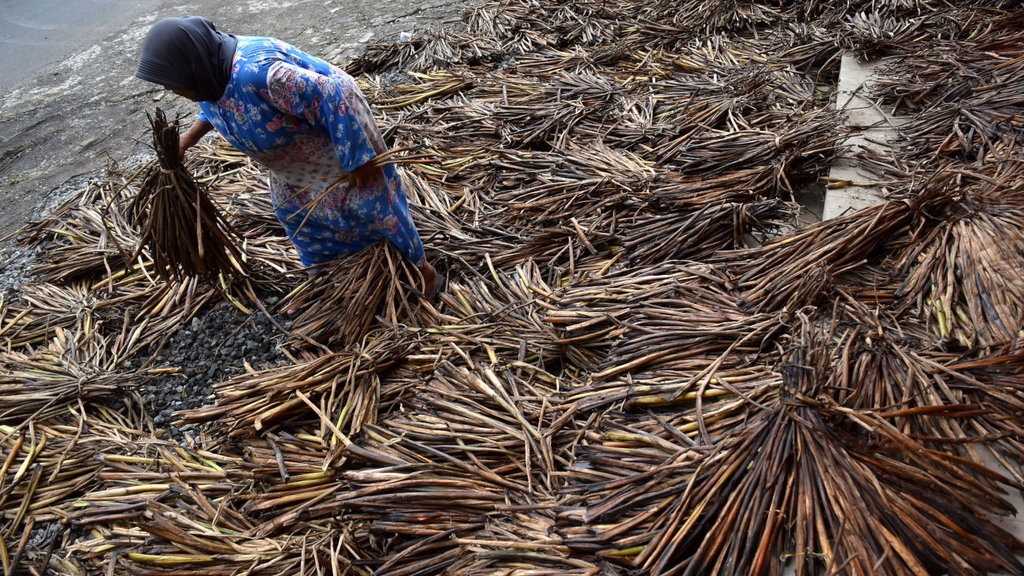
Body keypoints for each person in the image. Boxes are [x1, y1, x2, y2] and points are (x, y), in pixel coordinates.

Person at [134, 16, 440, 296]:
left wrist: (357, 157)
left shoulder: (261, 74)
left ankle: (422, 269)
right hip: (289, 158)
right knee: (295, 214)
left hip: (336, 133)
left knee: (372, 203)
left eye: (172, 82)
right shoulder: (209, 74)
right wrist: (188, 139)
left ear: (194, 66)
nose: (169, 89)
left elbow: (332, 95)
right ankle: (321, 275)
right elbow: (216, 104)